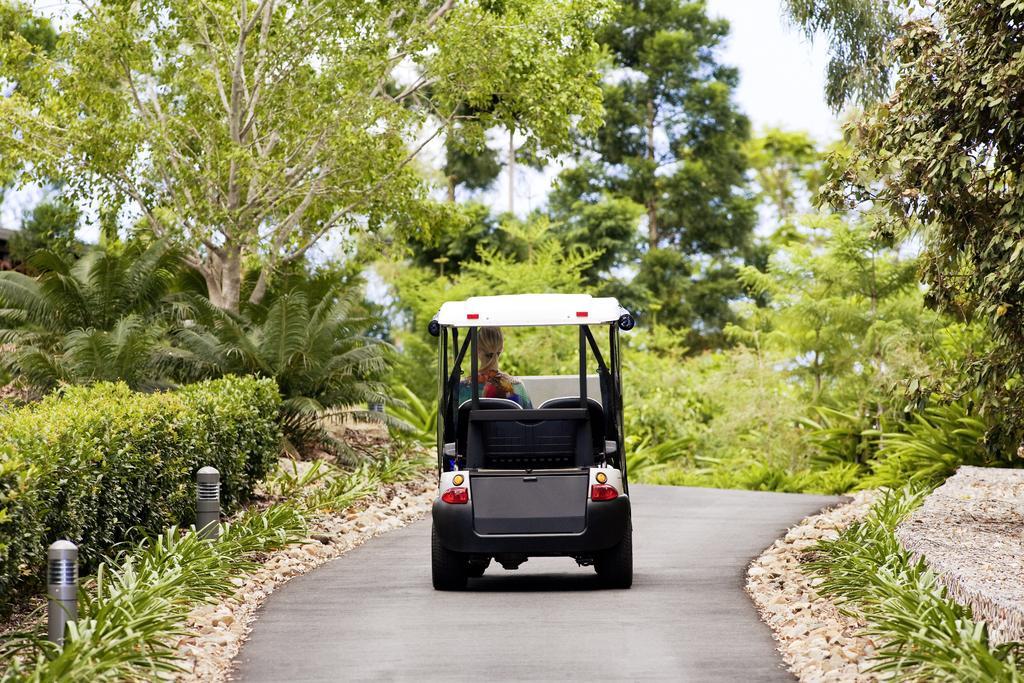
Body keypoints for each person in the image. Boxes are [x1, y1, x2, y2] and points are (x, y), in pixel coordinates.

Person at [458, 326, 532, 408]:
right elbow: (528, 418)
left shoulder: (461, 389)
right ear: (501, 348)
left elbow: (450, 417)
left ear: (476, 350)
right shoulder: (517, 387)